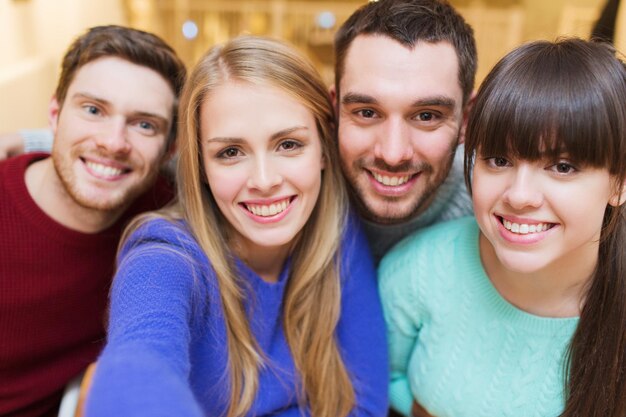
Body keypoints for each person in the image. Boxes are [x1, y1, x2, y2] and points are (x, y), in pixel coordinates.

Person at [84, 35, 388, 417]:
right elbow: (135, 370)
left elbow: (365, 405)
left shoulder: (336, 231)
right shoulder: (165, 257)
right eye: (230, 152)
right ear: (201, 169)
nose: (263, 180)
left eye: (289, 144)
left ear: (324, 148)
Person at [379, 38, 626, 417]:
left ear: (619, 183)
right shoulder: (415, 272)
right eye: (498, 160)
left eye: (562, 167)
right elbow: (381, 380)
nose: (519, 195)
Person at [0, 25, 186, 417]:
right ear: (55, 114)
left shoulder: (164, 217)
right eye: (93, 110)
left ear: (169, 149)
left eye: (144, 124)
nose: (113, 141)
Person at [331, 0, 477, 262]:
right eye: (366, 112)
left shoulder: (498, 205)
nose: (393, 154)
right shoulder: (293, 189)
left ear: (466, 121)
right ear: (335, 108)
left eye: (426, 116)